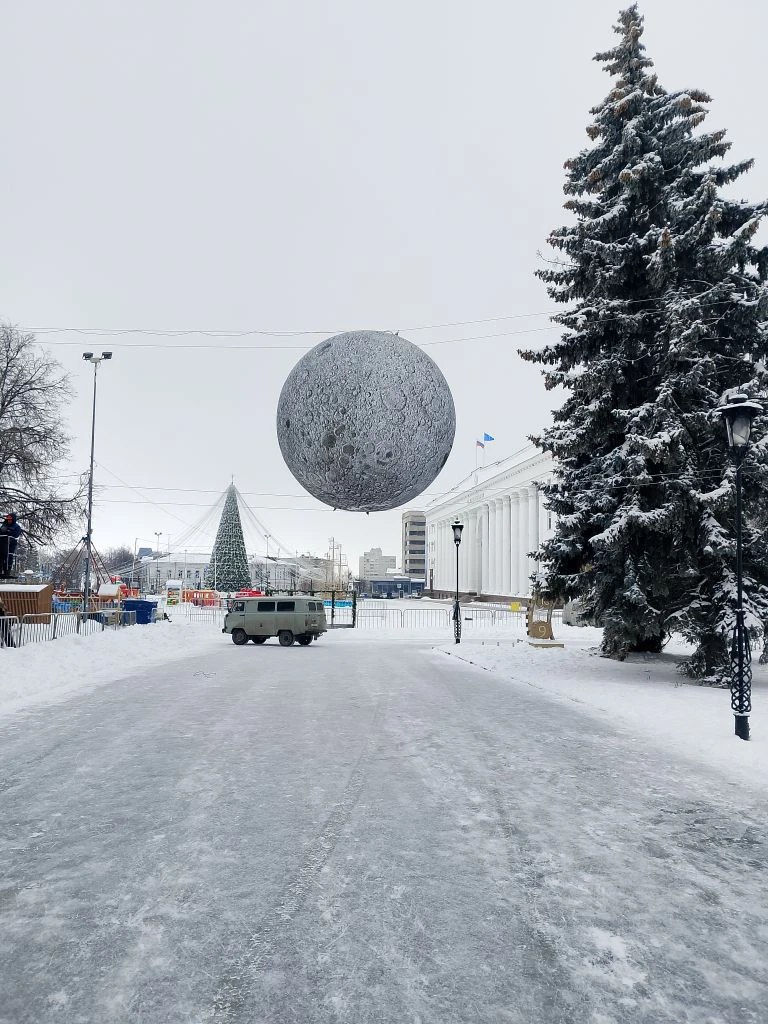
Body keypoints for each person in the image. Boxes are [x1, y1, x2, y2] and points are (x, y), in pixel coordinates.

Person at [0, 513, 22, 579]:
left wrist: (8, 531)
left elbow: (16, 534)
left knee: (8, 556)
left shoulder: (16, 526)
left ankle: (7, 571)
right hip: (2, 543)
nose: (9, 521)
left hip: (10, 543)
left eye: (10, 519)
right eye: (8, 519)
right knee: (1, 556)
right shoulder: (3, 525)